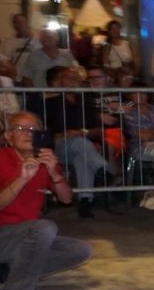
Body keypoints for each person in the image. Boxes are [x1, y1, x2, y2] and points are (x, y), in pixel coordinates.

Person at [0, 112, 89, 290]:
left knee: (80, 250)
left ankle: (10, 271)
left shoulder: (44, 159)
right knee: (44, 228)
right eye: (20, 129)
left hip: (24, 237)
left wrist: (54, 174)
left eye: (33, 129)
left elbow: (66, 199)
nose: (28, 133)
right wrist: (22, 178)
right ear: (8, 136)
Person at [43, 67, 120, 218]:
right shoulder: (50, 103)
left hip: (82, 147)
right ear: (61, 81)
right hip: (57, 147)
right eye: (69, 78)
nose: (73, 81)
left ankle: (85, 200)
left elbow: (99, 130)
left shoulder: (85, 103)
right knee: (81, 144)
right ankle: (103, 171)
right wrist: (66, 135)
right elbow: (46, 132)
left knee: (82, 155)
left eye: (76, 79)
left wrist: (81, 132)